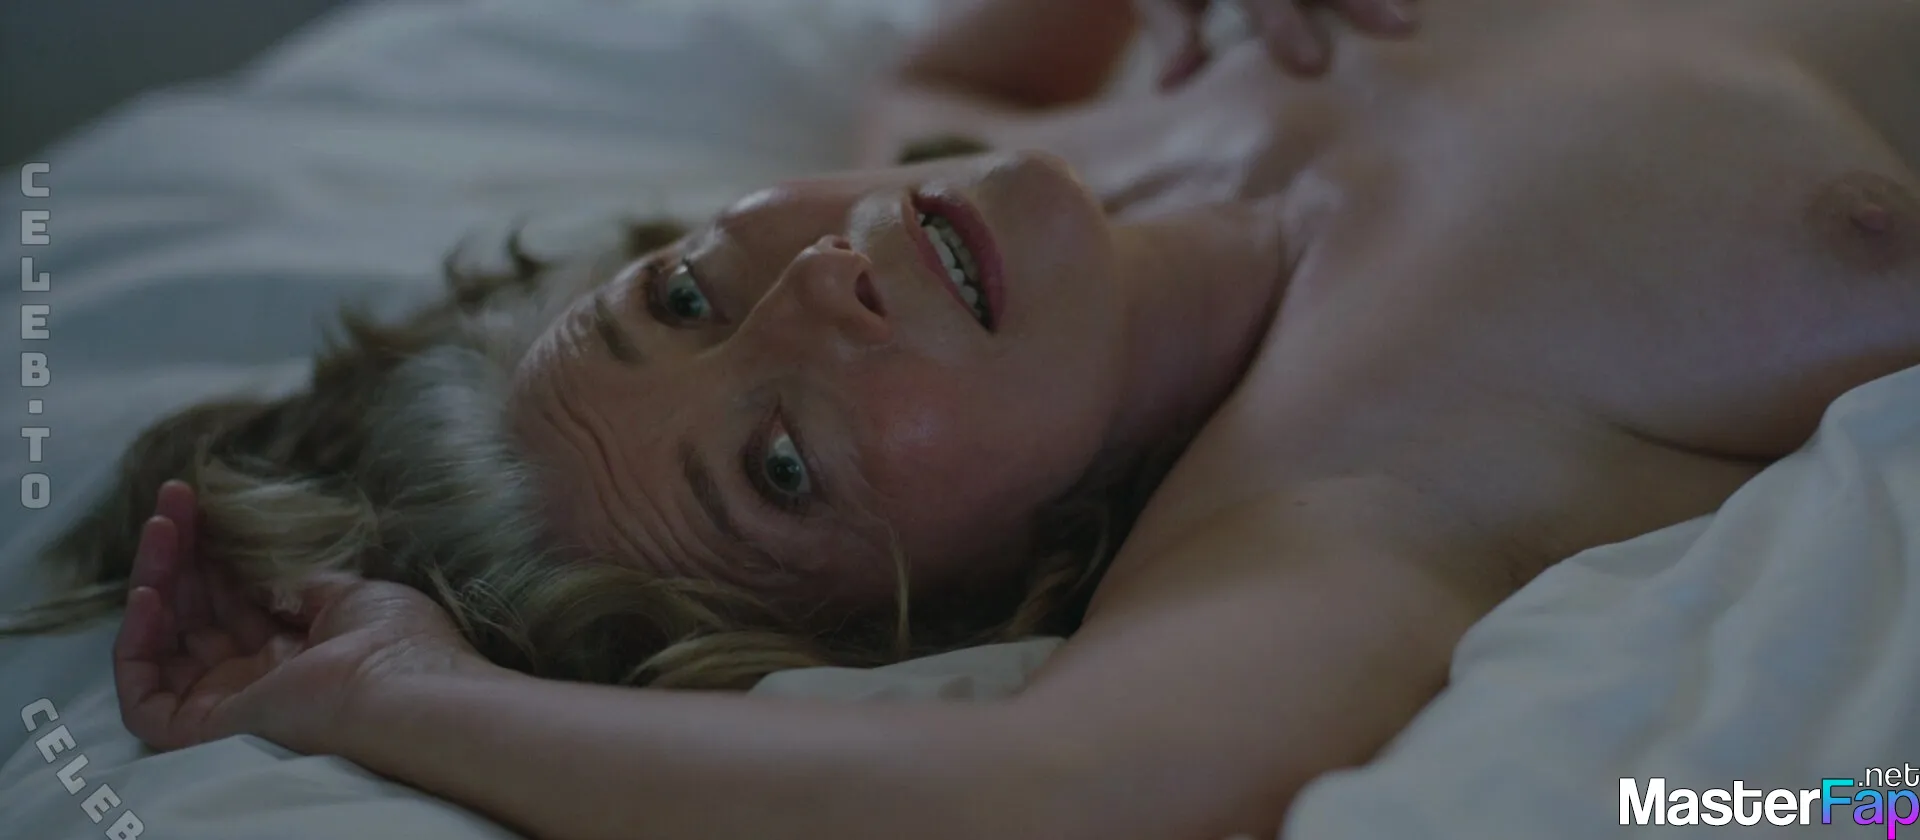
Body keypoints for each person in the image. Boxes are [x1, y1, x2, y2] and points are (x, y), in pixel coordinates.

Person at [29, 0, 1920, 837]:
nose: (804, 292)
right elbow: (1049, 801)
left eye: (676, 298)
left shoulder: (977, 141)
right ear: (941, 599)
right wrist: (397, 697)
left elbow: (954, 54)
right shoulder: (1351, 479)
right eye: (782, 464)